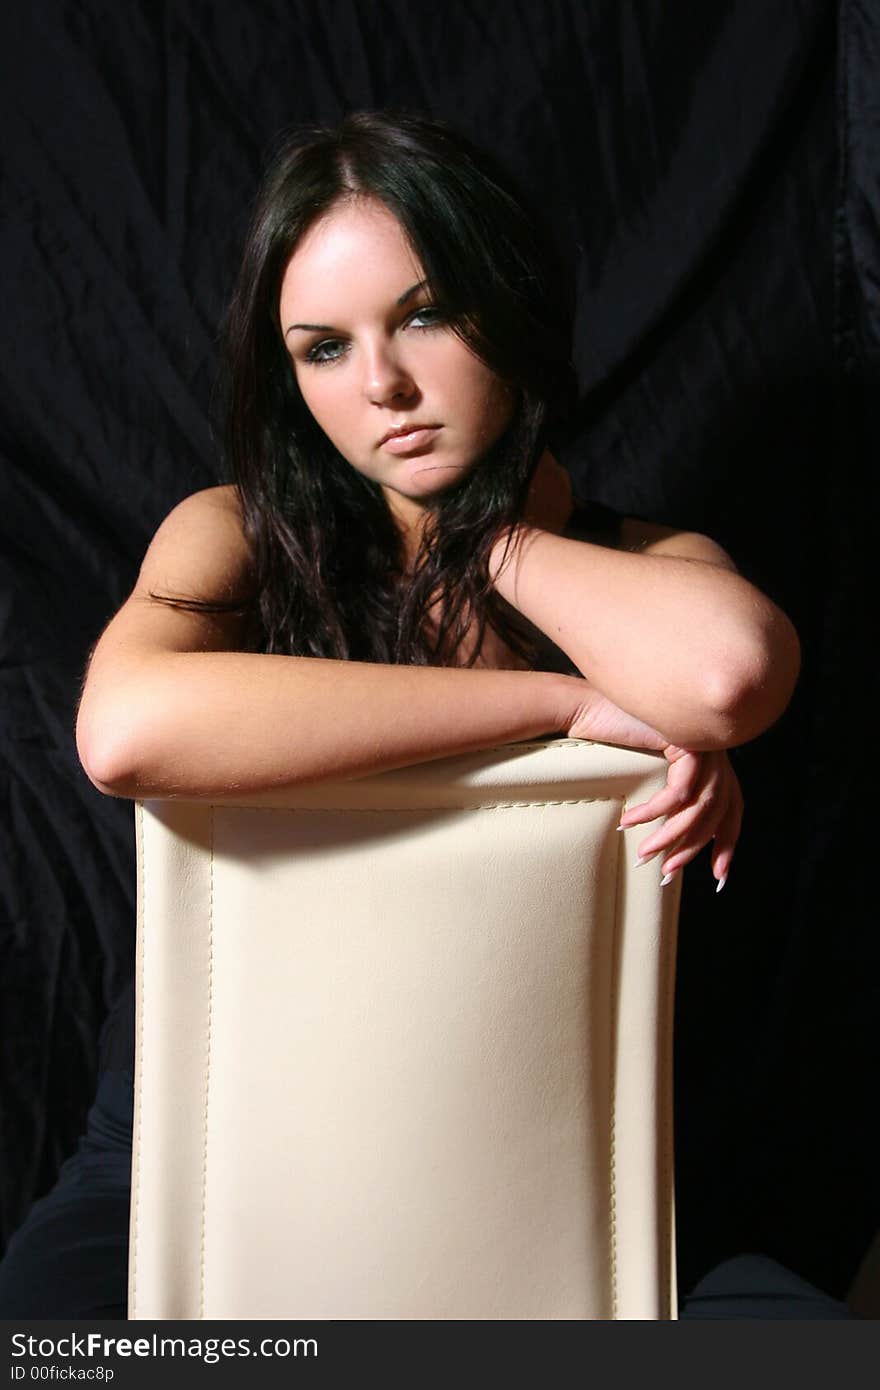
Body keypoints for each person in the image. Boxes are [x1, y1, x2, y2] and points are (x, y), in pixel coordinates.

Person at [0, 110, 849, 1320]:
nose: (383, 385)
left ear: (508, 305)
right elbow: (124, 731)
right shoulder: (234, 537)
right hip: (189, 1160)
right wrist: (561, 704)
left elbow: (726, 675)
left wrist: (485, 536)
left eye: (423, 314)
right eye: (322, 349)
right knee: (48, 1347)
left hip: (586, 1175)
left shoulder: (645, 559)